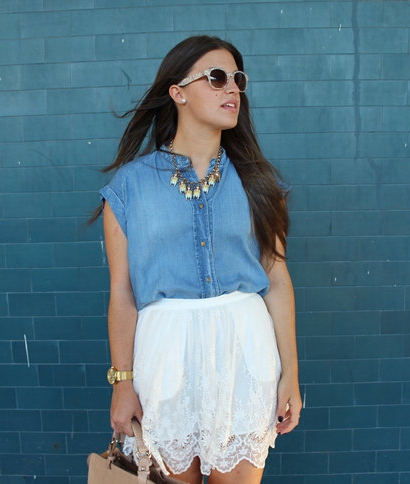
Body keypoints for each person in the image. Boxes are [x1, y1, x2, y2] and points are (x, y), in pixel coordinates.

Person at [93, 35, 301, 484]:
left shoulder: (260, 184)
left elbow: (277, 279)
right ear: (178, 92)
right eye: (217, 77)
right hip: (165, 357)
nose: (233, 89)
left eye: (238, 79)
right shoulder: (129, 188)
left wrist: (292, 374)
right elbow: (122, 292)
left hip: (245, 353)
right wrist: (122, 381)